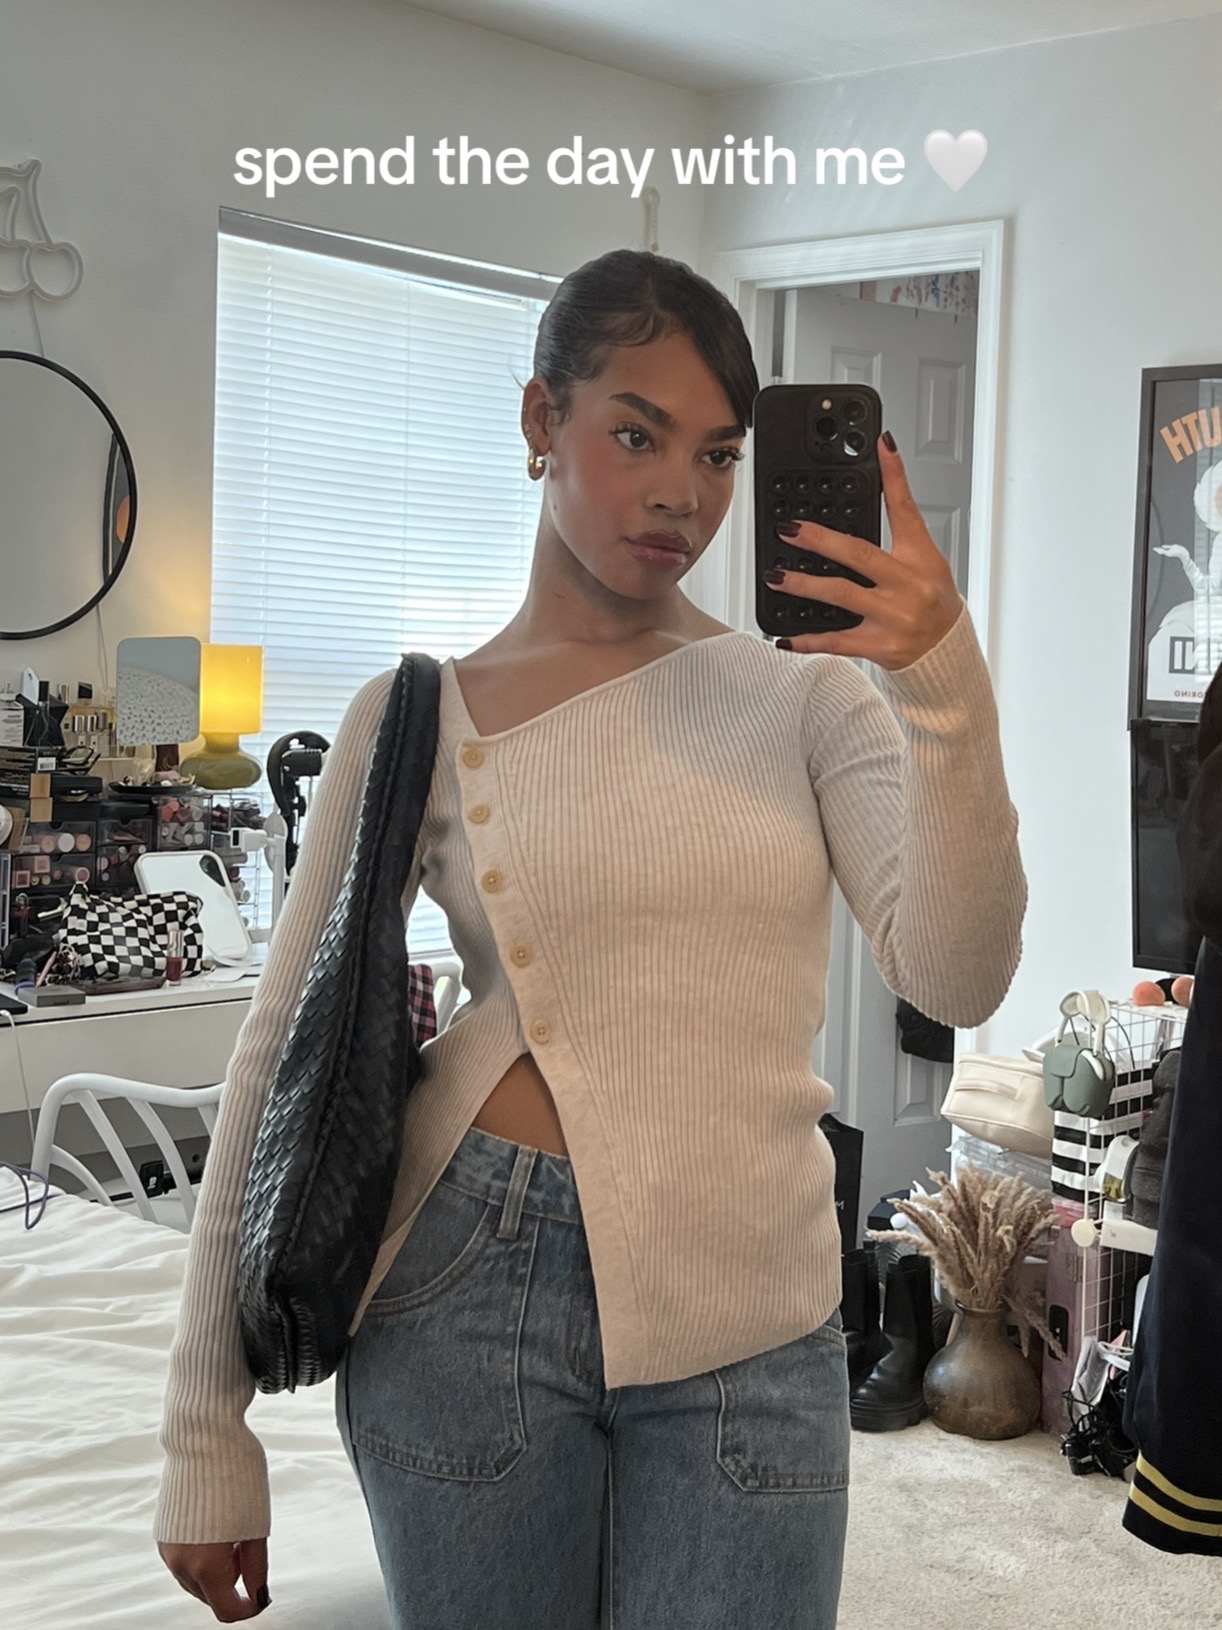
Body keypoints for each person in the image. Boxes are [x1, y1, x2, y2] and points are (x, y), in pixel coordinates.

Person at [155, 247, 1027, 1625]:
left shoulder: (808, 699)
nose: (683, 491)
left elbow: (958, 974)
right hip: (465, 1279)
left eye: (719, 454)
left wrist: (940, 681)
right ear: (539, 420)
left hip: (751, 1298)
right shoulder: (414, 714)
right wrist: (205, 1425)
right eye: (636, 434)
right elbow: (278, 1054)